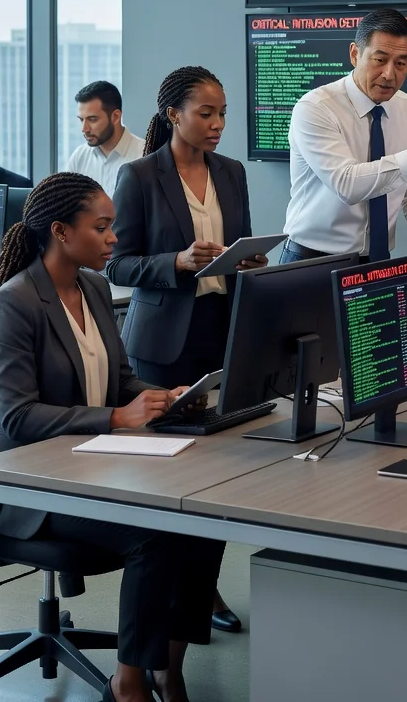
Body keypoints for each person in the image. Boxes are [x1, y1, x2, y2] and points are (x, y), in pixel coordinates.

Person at [0, 172, 224, 702]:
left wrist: (163, 396)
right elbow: (19, 416)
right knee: (153, 533)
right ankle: (128, 681)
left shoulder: (92, 286)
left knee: (204, 520)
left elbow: (118, 378)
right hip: (30, 483)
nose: (114, 238)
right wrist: (117, 418)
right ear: (62, 231)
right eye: (103, 227)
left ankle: (167, 665)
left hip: (94, 462)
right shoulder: (14, 303)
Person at [106, 66, 261, 635]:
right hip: (164, 344)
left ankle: (201, 591)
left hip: (224, 330)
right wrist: (175, 263)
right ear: (174, 114)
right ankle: (154, 624)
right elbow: (117, 263)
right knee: (164, 494)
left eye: (223, 113)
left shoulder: (233, 173)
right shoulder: (140, 176)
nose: (219, 124)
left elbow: (239, 243)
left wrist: (247, 262)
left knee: (216, 482)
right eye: (206, 113)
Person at [281, 7, 407, 264]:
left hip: (379, 261)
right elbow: (347, 183)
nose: (389, 74)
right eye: (379, 60)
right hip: (312, 261)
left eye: (401, 63)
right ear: (355, 54)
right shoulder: (316, 108)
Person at [65, 80, 145, 198]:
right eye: (81, 120)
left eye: (92, 119)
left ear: (116, 117)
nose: (84, 129)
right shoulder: (79, 157)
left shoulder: (145, 154)